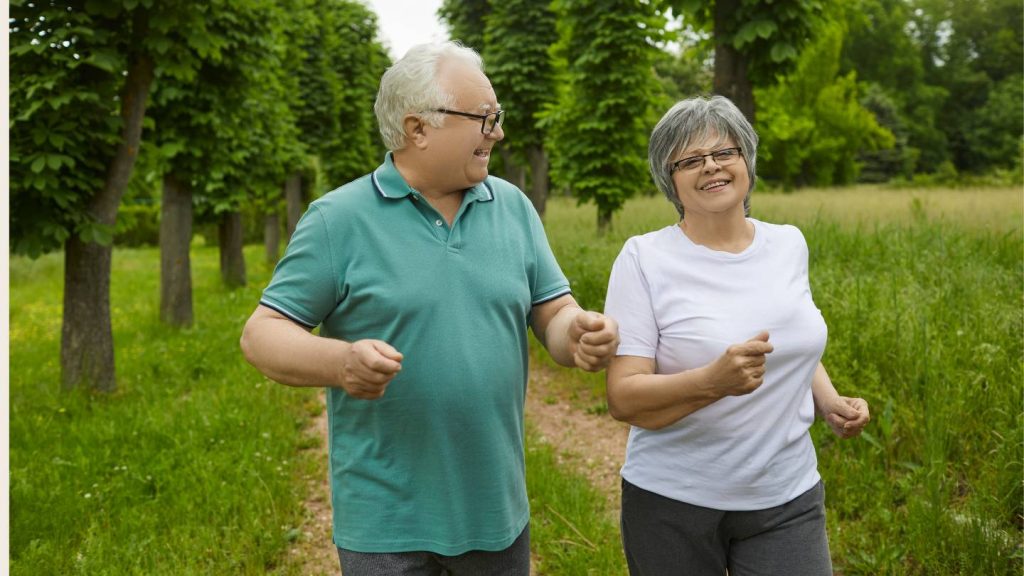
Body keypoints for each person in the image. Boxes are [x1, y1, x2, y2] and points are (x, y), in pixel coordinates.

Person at [239, 42, 618, 576]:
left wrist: (575, 332)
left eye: (498, 118)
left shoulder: (512, 207)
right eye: (485, 119)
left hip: (495, 511)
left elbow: (552, 313)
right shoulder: (338, 219)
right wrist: (341, 363)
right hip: (385, 522)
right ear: (418, 128)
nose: (499, 134)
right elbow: (262, 335)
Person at [603, 95, 870, 576]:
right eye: (689, 160)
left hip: (786, 495)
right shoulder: (643, 259)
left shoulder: (788, 243)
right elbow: (623, 398)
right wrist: (712, 381)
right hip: (672, 503)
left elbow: (791, 339)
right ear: (671, 180)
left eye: (724, 152)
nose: (711, 167)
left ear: (746, 161)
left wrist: (828, 400)